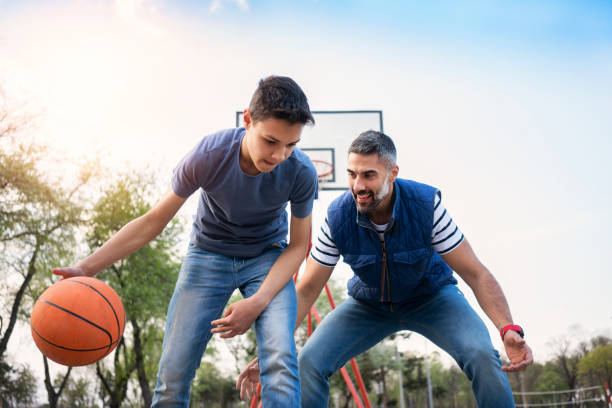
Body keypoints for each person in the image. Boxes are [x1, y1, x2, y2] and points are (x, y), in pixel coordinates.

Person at [53, 75, 319, 407]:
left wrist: (259, 301)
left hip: (268, 257)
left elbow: (298, 247)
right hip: (208, 254)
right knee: (174, 372)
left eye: (290, 145)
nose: (280, 155)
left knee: (280, 361)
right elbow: (152, 222)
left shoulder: (300, 172)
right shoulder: (210, 155)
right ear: (248, 120)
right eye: (270, 141)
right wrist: (85, 267)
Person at [235, 130, 533, 407]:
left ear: (393, 173)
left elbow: (476, 273)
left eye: (369, 175)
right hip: (369, 305)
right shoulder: (338, 217)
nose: (358, 186)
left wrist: (507, 327)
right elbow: (307, 288)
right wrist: (273, 351)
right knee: (307, 362)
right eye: (352, 175)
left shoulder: (427, 207)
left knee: (482, 355)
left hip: (432, 299)